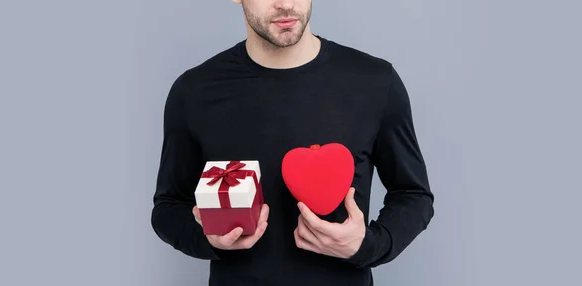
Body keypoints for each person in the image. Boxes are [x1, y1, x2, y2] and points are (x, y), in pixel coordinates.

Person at [150, 0, 434, 285]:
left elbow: (413, 194)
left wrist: (368, 245)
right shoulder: (194, 92)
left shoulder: (375, 82)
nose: (285, 4)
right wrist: (207, 239)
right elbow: (168, 206)